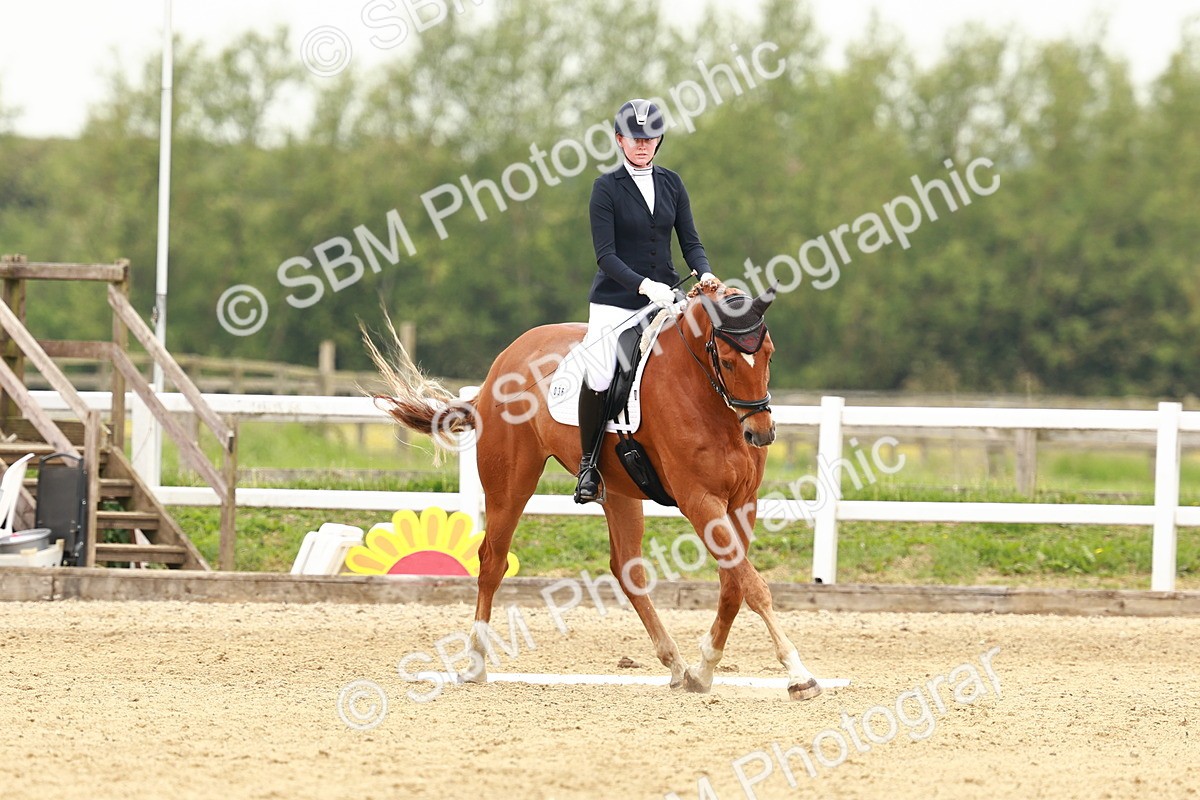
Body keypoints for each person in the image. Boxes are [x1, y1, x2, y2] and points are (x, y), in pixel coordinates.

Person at [574, 98, 716, 504]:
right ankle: (588, 465)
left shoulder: (672, 183)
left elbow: (690, 241)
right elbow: (606, 256)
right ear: (620, 140)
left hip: (666, 298)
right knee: (602, 372)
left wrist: (704, 272)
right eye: (634, 138)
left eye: (649, 138)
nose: (642, 145)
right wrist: (644, 286)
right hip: (617, 301)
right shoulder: (606, 188)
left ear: (659, 141)